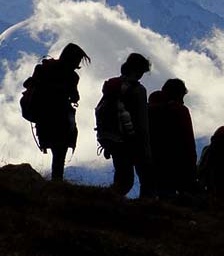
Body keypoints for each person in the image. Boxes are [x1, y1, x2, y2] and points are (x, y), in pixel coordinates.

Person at [24, 43, 91, 180]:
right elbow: (74, 96)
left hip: (44, 118)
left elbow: (28, 84)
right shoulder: (72, 77)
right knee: (60, 153)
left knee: (56, 150)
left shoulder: (44, 68)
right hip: (61, 119)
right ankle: (57, 183)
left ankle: (55, 184)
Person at [98, 53, 152, 198]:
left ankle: (107, 203)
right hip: (132, 140)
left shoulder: (113, 86)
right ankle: (142, 210)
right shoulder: (138, 90)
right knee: (140, 180)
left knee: (122, 178)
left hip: (112, 138)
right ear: (137, 70)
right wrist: (145, 147)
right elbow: (142, 121)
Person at [148, 79, 197, 198]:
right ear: (178, 94)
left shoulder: (149, 109)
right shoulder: (180, 110)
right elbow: (188, 139)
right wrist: (192, 163)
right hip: (178, 161)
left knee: (158, 193)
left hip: (153, 159)